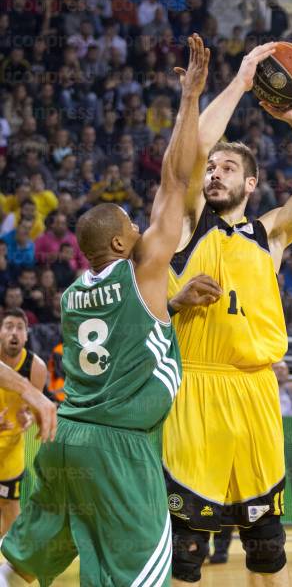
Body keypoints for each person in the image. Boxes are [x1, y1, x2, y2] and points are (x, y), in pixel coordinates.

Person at [0, 33, 209, 587]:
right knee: (139, 573)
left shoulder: (72, 294)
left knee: (34, 550)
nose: (139, 227)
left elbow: (130, 330)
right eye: (129, 225)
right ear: (119, 247)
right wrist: (189, 99)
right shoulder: (141, 270)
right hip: (120, 445)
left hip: (66, 439)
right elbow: (177, 179)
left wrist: (175, 303)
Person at [163, 42, 292, 586]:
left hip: (257, 394)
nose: (214, 173)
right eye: (211, 168)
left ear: (250, 184)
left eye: (228, 168)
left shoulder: (272, 233)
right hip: (196, 389)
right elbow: (189, 152)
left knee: (267, 547)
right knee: (186, 547)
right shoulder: (188, 223)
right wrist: (242, 82)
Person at [0, 308, 47, 535]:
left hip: (11, 448)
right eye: (8, 326)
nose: (14, 333)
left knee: (9, 506)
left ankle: (5, 564)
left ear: (27, 335)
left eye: (20, 327)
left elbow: (35, 412)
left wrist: (28, 417)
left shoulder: (36, 368)